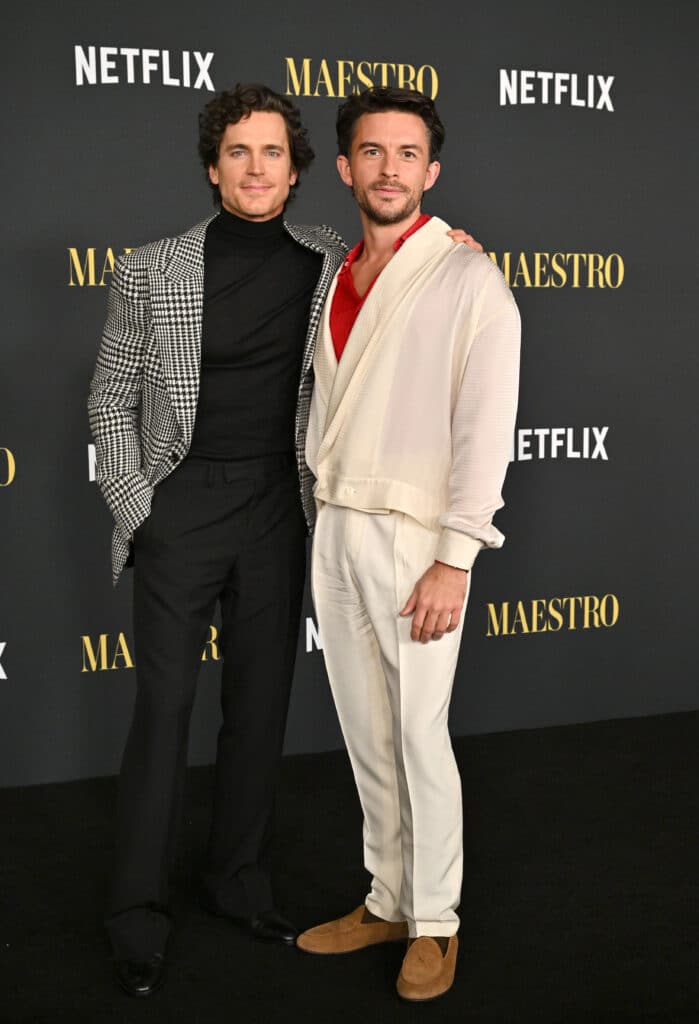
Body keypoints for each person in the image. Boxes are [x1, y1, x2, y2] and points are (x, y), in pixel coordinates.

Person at [88, 82, 480, 998]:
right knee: (162, 714)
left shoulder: (331, 261)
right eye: (238, 152)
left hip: (279, 512)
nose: (256, 168)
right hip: (178, 510)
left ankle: (236, 883)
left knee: (258, 711)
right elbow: (109, 401)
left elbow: (413, 266)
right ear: (211, 165)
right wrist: (138, 506)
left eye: (272, 152)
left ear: (302, 170)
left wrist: (457, 248)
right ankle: (136, 914)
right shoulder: (151, 268)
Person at [297, 87, 520, 1003]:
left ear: (431, 173)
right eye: (370, 152)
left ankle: (436, 919)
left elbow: (485, 427)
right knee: (366, 732)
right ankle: (386, 896)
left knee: (419, 735)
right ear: (344, 167)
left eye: (406, 154)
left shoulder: (469, 277)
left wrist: (454, 555)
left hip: (416, 538)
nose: (388, 168)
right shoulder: (327, 272)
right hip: (335, 525)